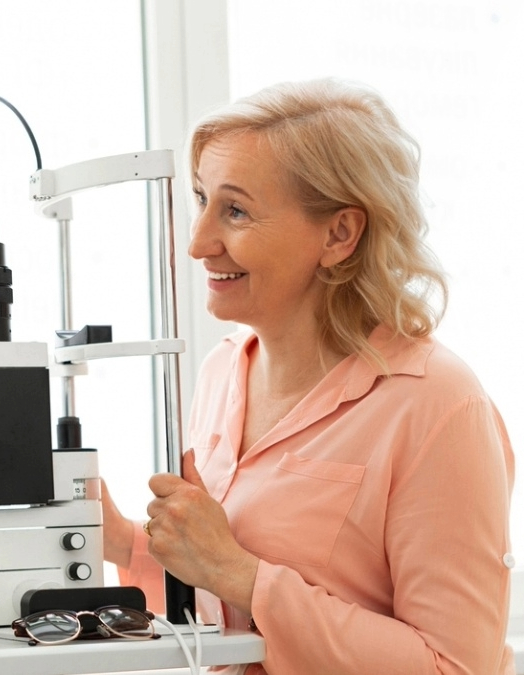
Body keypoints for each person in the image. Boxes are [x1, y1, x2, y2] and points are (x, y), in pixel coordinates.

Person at [101, 78, 515, 674]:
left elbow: (454, 666)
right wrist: (120, 541)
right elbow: (222, 617)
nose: (198, 242)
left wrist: (242, 575)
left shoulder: (438, 406)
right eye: (201, 200)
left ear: (339, 234)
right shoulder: (223, 372)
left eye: (235, 210)